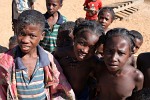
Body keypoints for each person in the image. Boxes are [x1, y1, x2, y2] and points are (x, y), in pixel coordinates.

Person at [0, 10, 75, 100]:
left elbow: (59, 86)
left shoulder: (48, 60)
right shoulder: (6, 62)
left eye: (32, 36)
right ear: (16, 31)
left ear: (42, 35)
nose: (25, 40)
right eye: (22, 34)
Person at [53, 20, 104, 99]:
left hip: (82, 95)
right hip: (61, 95)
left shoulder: (93, 61)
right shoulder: (62, 53)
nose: (85, 50)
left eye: (92, 47)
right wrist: (62, 64)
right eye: (82, 43)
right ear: (75, 37)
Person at [95, 28, 144, 100]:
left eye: (121, 53)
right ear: (104, 50)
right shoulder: (98, 68)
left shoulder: (136, 77)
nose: (113, 58)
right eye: (109, 51)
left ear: (130, 54)